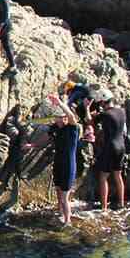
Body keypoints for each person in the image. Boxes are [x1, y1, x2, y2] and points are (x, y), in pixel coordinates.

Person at [22, 93, 92, 225]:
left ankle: (67, 221)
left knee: (65, 197)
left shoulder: (73, 129)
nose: (56, 120)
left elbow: (71, 116)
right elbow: (46, 139)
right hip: (58, 163)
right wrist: (32, 145)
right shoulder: (56, 128)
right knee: (58, 192)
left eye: (58, 117)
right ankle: (60, 215)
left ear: (65, 118)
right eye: (55, 118)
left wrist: (59, 103)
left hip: (68, 165)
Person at [89, 87, 126, 211]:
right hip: (121, 146)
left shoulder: (105, 114)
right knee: (117, 175)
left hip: (110, 147)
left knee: (103, 177)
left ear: (103, 102)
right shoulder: (122, 111)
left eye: (100, 103)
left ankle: (104, 208)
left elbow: (90, 121)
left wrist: (86, 108)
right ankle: (121, 203)